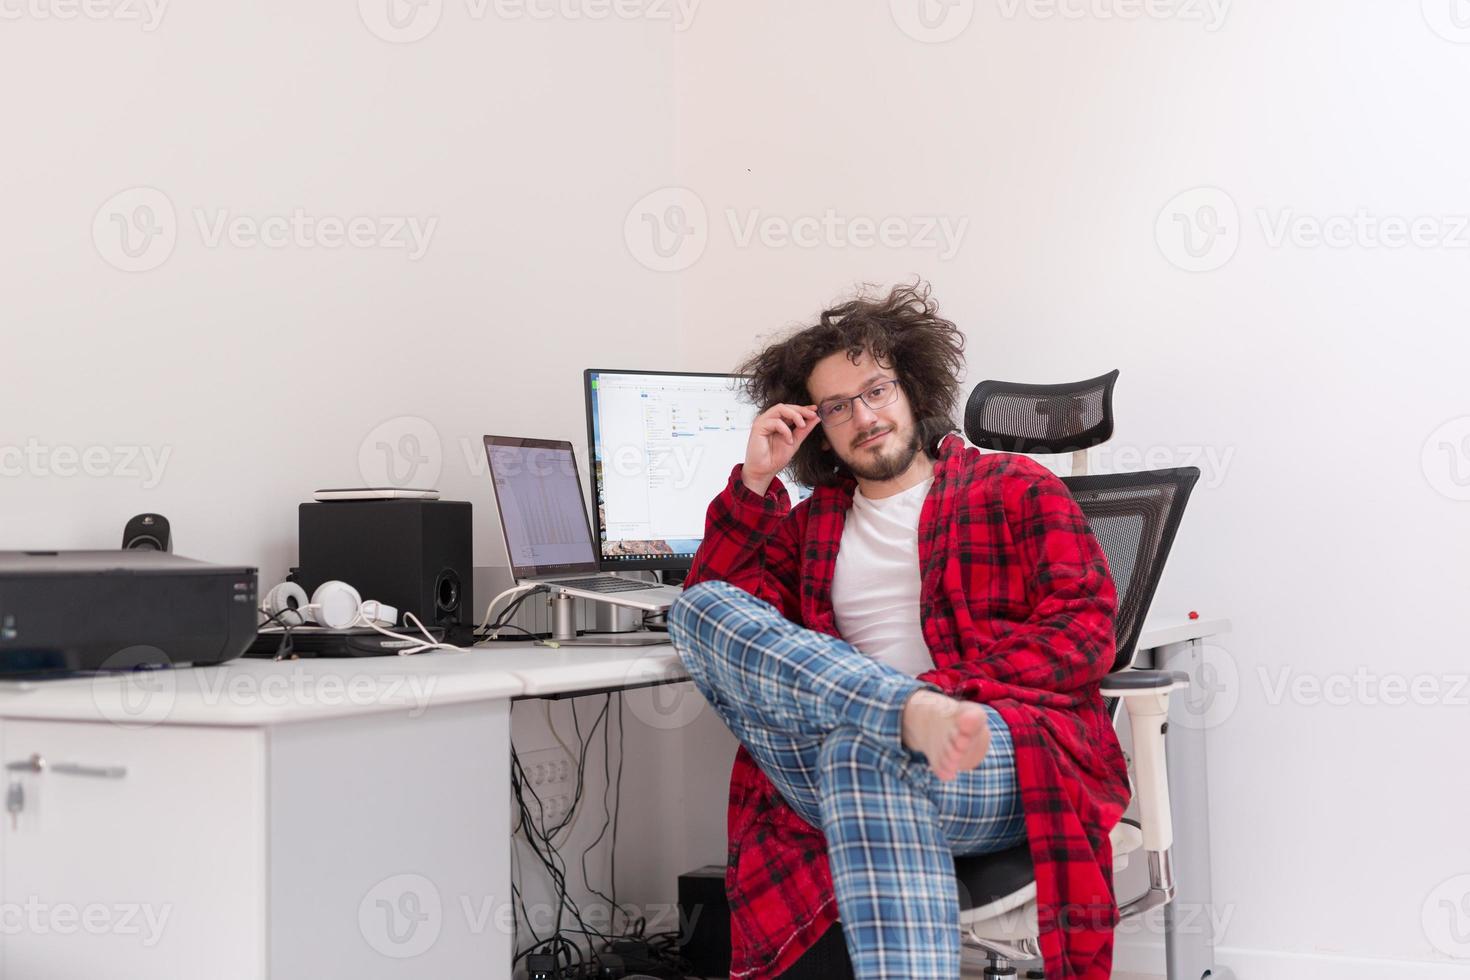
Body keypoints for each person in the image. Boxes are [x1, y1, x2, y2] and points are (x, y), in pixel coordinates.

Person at [666, 282, 1130, 979]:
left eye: (876, 389)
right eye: (837, 405)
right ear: (817, 424)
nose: (864, 414)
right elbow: (728, 618)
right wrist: (757, 483)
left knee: (862, 755)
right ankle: (899, 712)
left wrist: (948, 693)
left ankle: (913, 713)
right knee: (697, 609)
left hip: (992, 745)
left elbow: (1084, 632)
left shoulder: (1013, 487)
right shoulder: (813, 524)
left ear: (910, 388)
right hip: (843, 749)